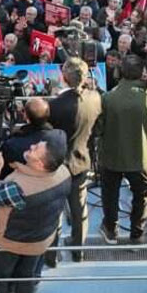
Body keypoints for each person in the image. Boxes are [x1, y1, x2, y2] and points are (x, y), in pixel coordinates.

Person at [0, 136, 72, 293]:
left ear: (39, 163)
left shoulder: (18, 188)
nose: (31, 146)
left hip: (9, 241)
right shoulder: (64, 173)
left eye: (35, 148)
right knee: (26, 279)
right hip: (40, 239)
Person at [96, 54, 147, 245]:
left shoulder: (107, 98)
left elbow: (99, 128)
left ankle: (111, 229)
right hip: (140, 158)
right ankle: (137, 234)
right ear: (142, 74)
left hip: (111, 156)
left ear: (119, 73)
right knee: (142, 195)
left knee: (110, 194)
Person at [48, 58, 103, 263]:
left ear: (63, 77)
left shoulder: (55, 106)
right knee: (79, 209)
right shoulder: (96, 98)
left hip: (57, 165)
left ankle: (51, 255)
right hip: (81, 161)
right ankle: (78, 252)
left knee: (55, 211)